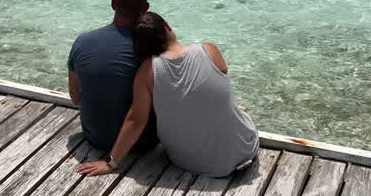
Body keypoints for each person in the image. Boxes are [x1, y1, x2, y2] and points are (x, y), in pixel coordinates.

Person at [77, 11, 258, 177]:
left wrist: (110, 163)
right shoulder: (208, 49)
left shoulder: (147, 72)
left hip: (192, 162)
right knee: (232, 105)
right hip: (244, 149)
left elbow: (136, 120)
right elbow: (220, 78)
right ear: (167, 26)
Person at [67, 0, 159, 153]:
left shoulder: (82, 41)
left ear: (113, 4)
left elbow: (75, 97)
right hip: (141, 142)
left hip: (95, 137)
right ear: (146, 8)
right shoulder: (152, 48)